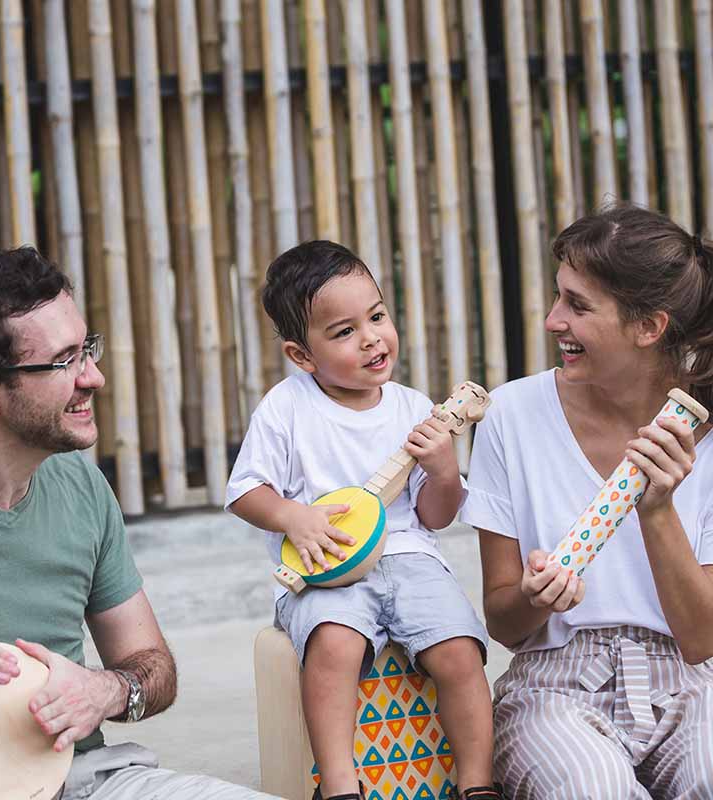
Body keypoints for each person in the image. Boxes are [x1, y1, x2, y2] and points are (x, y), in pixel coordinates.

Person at [0, 247, 280, 800]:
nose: (95, 377)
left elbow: (151, 668)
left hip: (81, 781)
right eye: (65, 361)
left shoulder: (82, 488)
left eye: (87, 350)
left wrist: (102, 692)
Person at [226, 240, 501, 800]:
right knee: (335, 645)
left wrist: (444, 470)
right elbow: (245, 491)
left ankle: (478, 783)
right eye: (344, 331)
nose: (372, 337)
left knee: (459, 647)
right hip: (325, 567)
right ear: (302, 355)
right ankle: (341, 786)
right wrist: (291, 516)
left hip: (411, 557)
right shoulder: (287, 406)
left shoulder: (411, 406)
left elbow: (436, 515)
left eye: (376, 316)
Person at [460, 203, 713, 799]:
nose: (552, 321)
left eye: (577, 305)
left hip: (692, 680)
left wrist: (656, 509)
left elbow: (701, 639)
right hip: (556, 687)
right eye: (557, 297)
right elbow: (504, 624)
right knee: (590, 788)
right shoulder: (512, 417)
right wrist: (534, 599)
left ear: (648, 327)